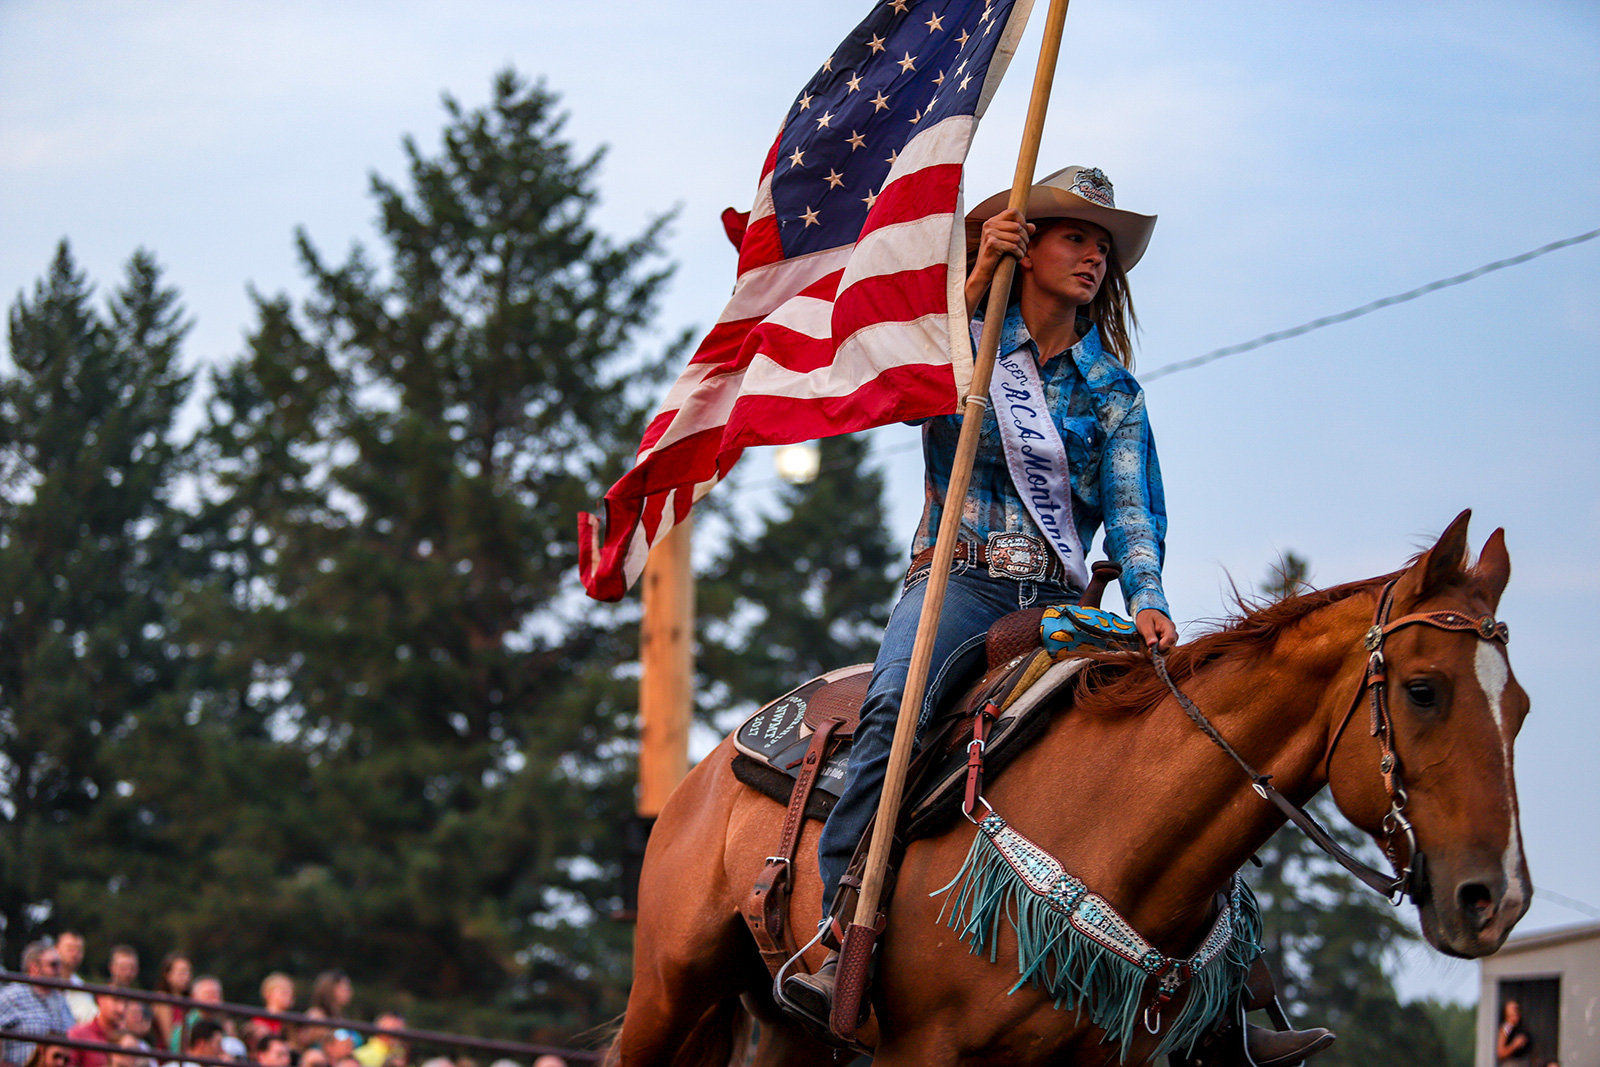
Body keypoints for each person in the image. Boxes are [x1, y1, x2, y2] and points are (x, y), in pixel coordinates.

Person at [783, 166, 1331, 1066]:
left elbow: (1135, 510)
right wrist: (966, 288)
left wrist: (1149, 601)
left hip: (1068, 603)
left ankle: (1226, 1012)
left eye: (1104, 247)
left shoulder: (1115, 391)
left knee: (1196, 750)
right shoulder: (963, 346)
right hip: (958, 583)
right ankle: (841, 926)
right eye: (1076, 236)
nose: (1094, 257)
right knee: (894, 710)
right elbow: (896, 386)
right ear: (1025, 243)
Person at [0, 941, 77, 1065]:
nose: (59, 970)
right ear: (34, 969)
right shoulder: (13, 996)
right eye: (53, 965)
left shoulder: (61, 1001)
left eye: (60, 964)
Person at [66, 993, 126, 1067]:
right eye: (115, 1000)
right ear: (100, 999)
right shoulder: (78, 1035)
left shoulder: (129, 1040)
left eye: (125, 1003)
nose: (121, 1009)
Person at [147, 955, 191, 1051]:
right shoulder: (163, 999)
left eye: (188, 973)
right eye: (181, 973)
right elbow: (170, 1040)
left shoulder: (189, 1002)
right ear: (168, 975)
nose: (186, 977)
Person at [52, 935, 96, 1027]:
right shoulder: (43, 983)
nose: (75, 954)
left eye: (79, 950)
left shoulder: (83, 990)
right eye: (70, 949)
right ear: (56, 949)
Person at [1496, 999, 1532, 1066]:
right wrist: (1514, 1045)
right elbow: (1500, 1052)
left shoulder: (1522, 1028)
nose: (1516, 1011)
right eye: (1513, 1009)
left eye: (1517, 1009)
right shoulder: (1506, 1028)